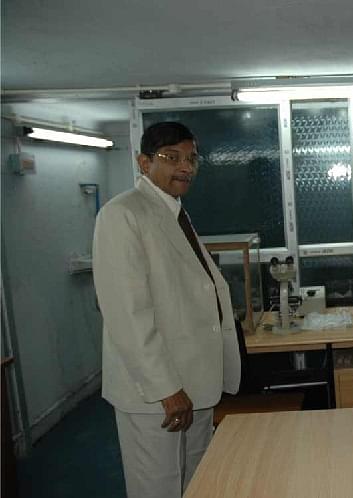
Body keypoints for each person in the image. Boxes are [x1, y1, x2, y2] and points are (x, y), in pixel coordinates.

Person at [93, 122, 241, 498]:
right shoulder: (122, 214)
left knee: (198, 481)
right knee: (158, 486)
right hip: (157, 393)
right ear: (144, 163)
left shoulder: (175, 212)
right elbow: (128, 315)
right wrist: (167, 389)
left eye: (191, 158)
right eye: (171, 157)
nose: (185, 167)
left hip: (195, 382)